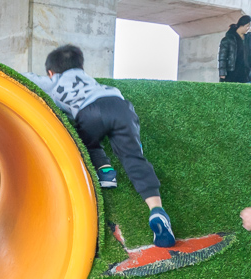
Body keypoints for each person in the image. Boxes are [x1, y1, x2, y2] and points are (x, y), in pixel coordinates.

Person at [23, 44, 175, 248]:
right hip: (120, 106)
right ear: (81, 66)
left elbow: (24, 78)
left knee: (82, 142)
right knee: (133, 157)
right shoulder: (89, 80)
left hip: (89, 111)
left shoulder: (53, 81)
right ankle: (156, 209)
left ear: (51, 72)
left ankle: (105, 172)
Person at [218, 15, 251, 83]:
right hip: (232, 73)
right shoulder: (228, 39)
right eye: (247, 26)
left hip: (246, 74)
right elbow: (222, 58)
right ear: (242, 25)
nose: (248, 28)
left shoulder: (248, 38)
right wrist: (222, 73)